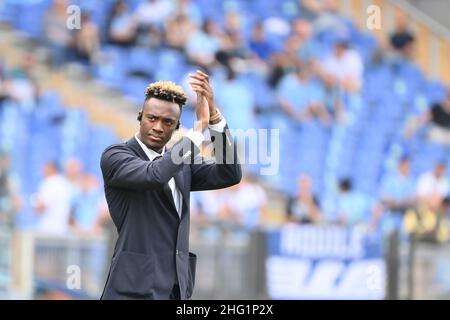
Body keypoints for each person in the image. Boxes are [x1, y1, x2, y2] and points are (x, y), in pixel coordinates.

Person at [100, 71, 242, 300]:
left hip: (174, 290)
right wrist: (197, 132)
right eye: (152, 118)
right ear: (140, 117)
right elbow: (154, 175)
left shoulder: (180, 164)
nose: (158, 127)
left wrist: (214, 118)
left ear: (176, 127)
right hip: (132, 292)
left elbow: (229, 174)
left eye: (168, 122)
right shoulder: (116, 156)